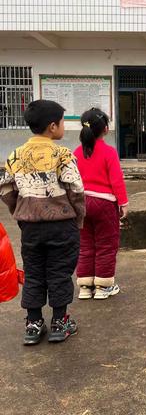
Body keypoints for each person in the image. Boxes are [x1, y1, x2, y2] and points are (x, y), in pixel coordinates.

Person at [0, 100, 85, 345]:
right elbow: (76, 190)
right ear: (52, 126)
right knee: (59, 272)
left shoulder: (16, 155)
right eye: (61, 122)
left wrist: (21, 210)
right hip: (62, 225)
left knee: (34, 272)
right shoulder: (62, 154)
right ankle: (60, 322)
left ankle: (33, 324)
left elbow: (6, 189)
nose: (62, 126)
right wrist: (78, 219)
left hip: (31, 227)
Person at [74, 108, 128, 300]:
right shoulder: (109, 152)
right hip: (104, 204)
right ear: (105, 128)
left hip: (81, 203)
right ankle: (103, 286)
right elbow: (116, 180)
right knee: (106, 244)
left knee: (85, 245)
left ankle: (85, 287)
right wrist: (123, 203)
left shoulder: (77, 153)